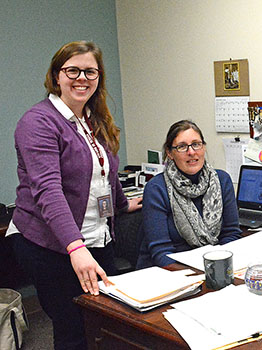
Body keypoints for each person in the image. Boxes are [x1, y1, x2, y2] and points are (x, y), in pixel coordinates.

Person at [10, 41, 142, 350]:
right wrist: (75, 247)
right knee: (74, 328)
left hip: (95, 238)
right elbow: (47, 190)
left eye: (90, 72)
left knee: (105, 318)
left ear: (98, 78)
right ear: (57, 76)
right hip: (49, 245)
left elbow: (104, 172)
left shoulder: (91, 121)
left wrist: (123, 205)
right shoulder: (38, 122)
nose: (82, 78)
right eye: (73, 70)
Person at [136, 120, 242, 268]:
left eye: (196, 144)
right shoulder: (157, 188)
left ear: (203, 147)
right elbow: (161, 251)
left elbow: (231, 234)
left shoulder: (222, 181)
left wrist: (217, 268)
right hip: (168, 271)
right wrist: (197, 275)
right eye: (182, 147)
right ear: (169, 153)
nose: (191, 152)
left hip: (214, 266)